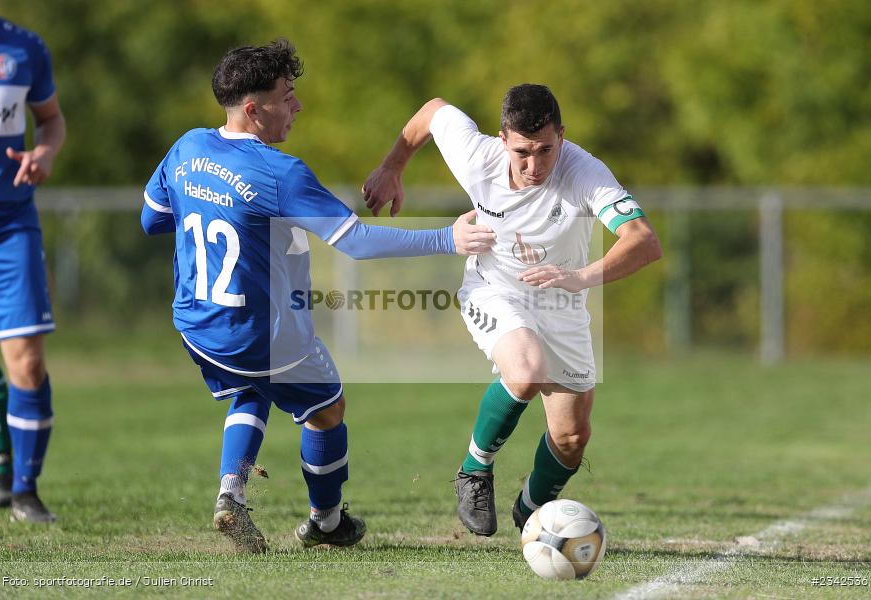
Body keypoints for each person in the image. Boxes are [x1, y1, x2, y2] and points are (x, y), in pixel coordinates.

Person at [142, 39, 493, 553]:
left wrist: (217, 208)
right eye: (288, 97)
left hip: (196, 324)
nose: (297, 106)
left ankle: (231, 494)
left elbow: (152, 220)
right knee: (327, 408)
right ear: (253, 109)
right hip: (257, 332)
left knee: (250, 389)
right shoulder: (279, 173)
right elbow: (356, 241)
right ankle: (326, 522)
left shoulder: (187, 146)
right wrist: (446, 238)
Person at [363, 84, 661, 536]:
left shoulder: (584, 172)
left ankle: (531, 511)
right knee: (526, 370)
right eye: (523, 151)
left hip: (562, 303)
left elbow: (644, 241)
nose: (535, 165)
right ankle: (473, 470)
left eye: (546, 150)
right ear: (502, 139)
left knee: (572, 440)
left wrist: (578, 278)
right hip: (493, 288)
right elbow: (433, 110)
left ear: (562, 135)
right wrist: (392, 166)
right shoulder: (476, 155)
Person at [0, 1, 66, 522]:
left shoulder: (23, 48)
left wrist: (45, 154)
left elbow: (51, 121)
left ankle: (24, 491)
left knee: (27, 361)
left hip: (9, 225)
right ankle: (0, 463)